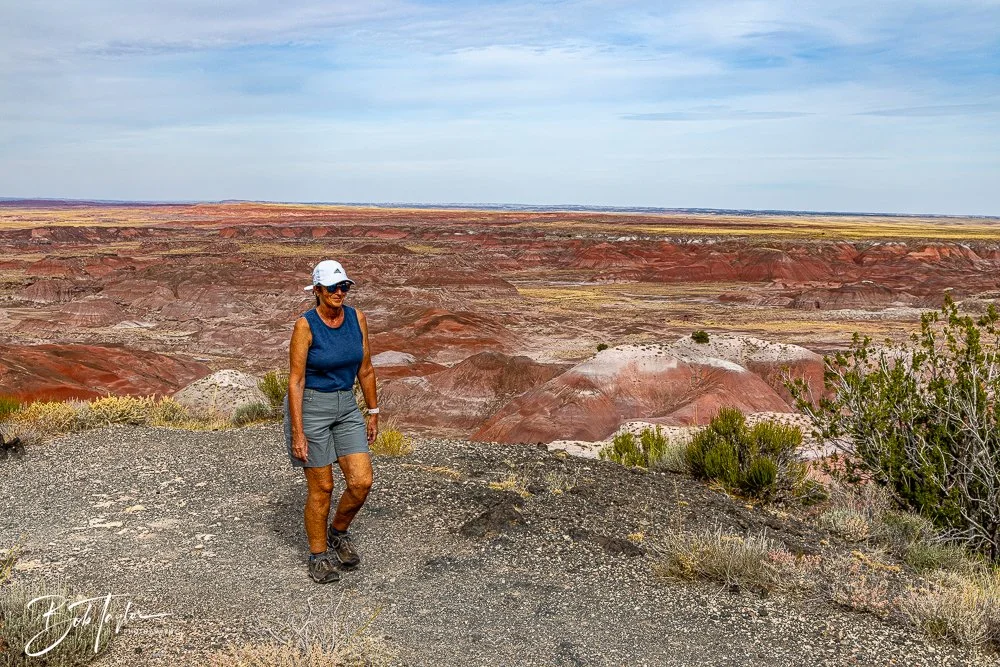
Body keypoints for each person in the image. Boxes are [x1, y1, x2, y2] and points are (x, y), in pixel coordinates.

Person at [284, 259, 379, 584]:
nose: (340, 292)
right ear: (318, 290)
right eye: (333, 287)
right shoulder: (305, 326)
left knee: (361, 481)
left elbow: (365, 369)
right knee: (322, 487)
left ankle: (338, 531)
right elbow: (295, 381)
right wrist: (298, 431)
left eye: (344, 287)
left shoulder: (357, 319)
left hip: (346, 405)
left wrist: (373, 411)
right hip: (312, 406)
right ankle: (318, 554)